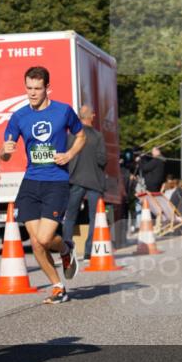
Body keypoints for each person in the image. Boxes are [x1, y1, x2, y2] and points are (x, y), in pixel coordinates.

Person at [2, 66, 85, 305]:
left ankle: (66, 248)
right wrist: (6, 153)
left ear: (47, 88)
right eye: (29, 88)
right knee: (36, 242)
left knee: (46, 238)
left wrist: (69, 155)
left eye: (37, 88)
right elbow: (6, 149)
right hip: (30, 182)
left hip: (56, 182)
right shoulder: (19, 116)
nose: (33, 93)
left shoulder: (63, 111)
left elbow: (81, 136)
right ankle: (58, 287)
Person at [61, 104, 107, 260]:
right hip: (94, 181)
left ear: (80, 117)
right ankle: (89, 251)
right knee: (95, 217)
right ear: (91, 116)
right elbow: (103, 159)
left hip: (75, 180)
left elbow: (65, 156)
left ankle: (67, 249)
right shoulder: (98, 136)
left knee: (70, 216)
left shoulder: (72, 135)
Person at [137, 147, 174, 230]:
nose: (152, 152)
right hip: (157, 184)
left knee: (151, 204)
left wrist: (139, 160)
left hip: (151, 185)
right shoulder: (161, 161)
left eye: (153, 150)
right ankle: (158, 222)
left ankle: (155, 223)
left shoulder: (156, 160)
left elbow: (145, 168)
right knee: (156, 202)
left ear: (158, 151)